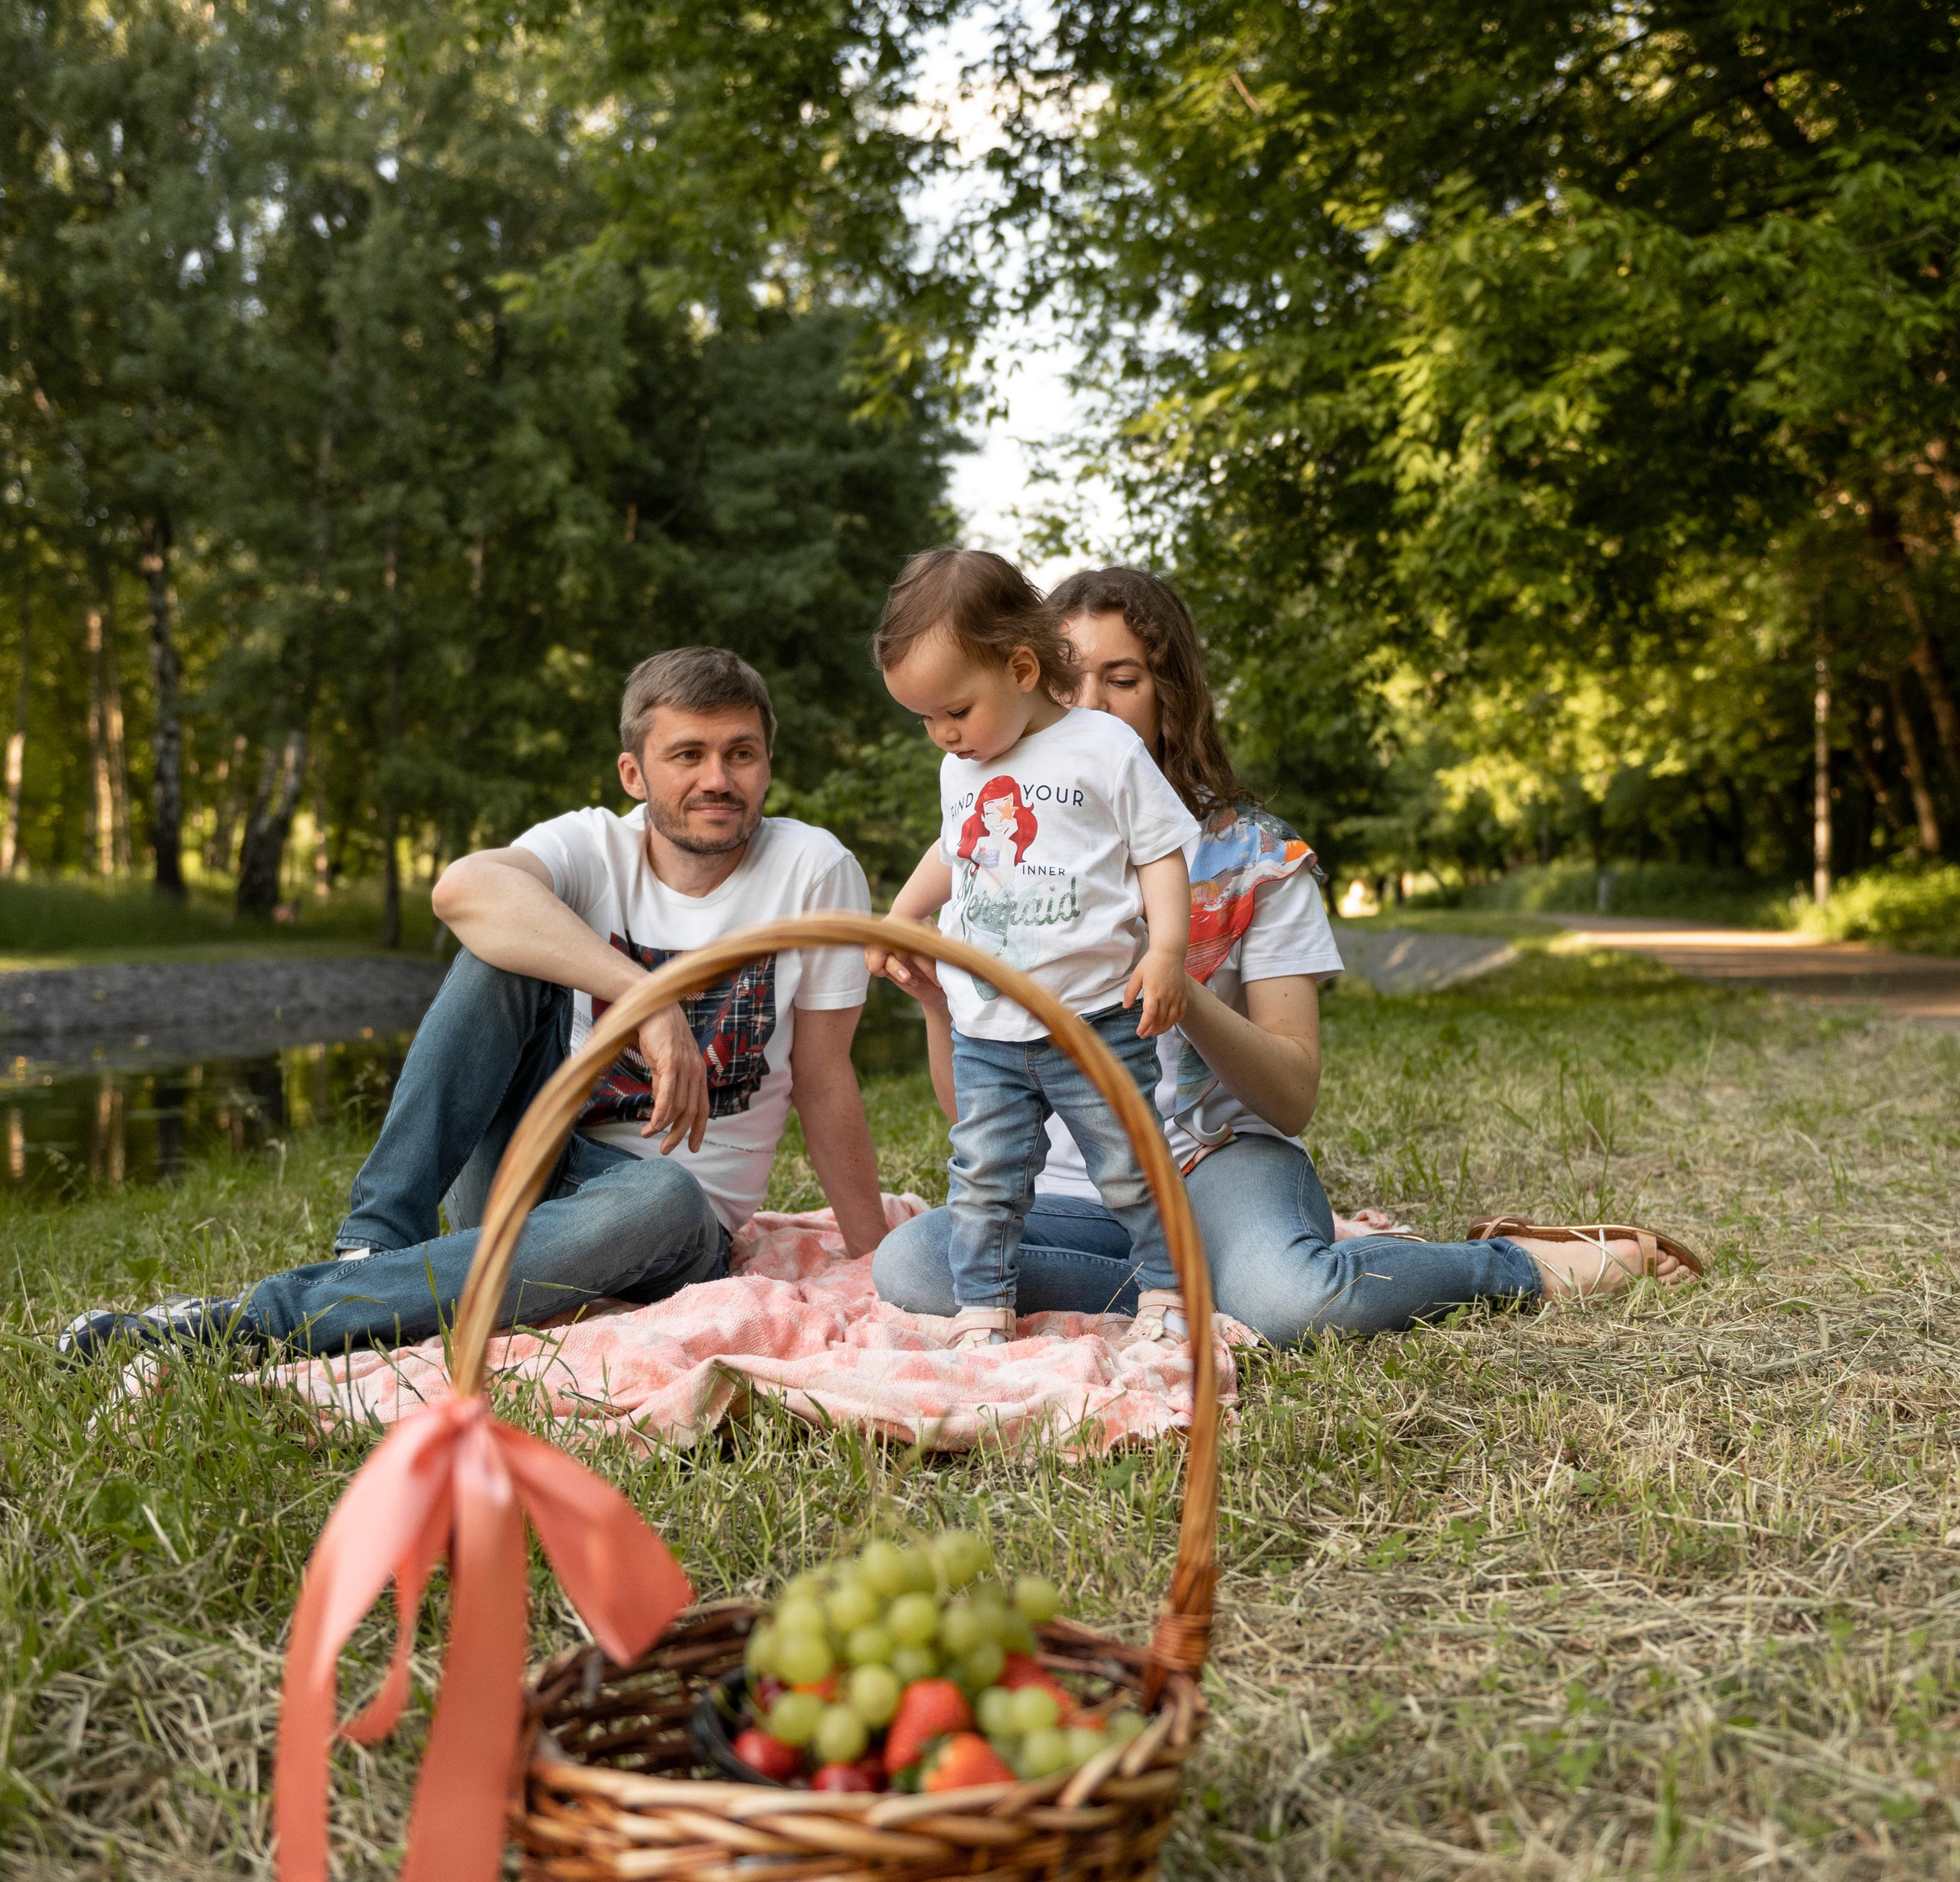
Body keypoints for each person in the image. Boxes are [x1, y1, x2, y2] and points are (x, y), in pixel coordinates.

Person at [871, 567, 1695, 1341]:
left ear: (1170, 693)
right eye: (1067, 681)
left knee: (1291, 1303)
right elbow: (971, 1112)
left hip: (1217, 1164)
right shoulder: (1003, 839)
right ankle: (1192, 1285)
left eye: (1121, 679)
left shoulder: (1256, 859)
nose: (1091, 703)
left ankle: (1508, 1264)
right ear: (1028, 679)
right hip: (1075, 1191)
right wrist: (944, 1005)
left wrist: (1181, 988)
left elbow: (1293, 1096)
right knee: (915, 1260)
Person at [60, 646, 887, 1364]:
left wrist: (871, 1261)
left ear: (768, 763)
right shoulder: (590, 845)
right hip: (523, 1167)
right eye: (689, 755)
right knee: (503, 948)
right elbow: (462, 889)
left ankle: (250, 1323)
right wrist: (640, 994)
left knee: (664, 1193)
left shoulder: (812, 870)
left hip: (664, 1222)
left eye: (741, 754)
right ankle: (374, 1243)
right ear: (635, 773)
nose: (718, 779)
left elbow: (822, 1079)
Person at [865, 549, 1198, 1345]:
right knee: (983, 1178)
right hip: (986, 1022)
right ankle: (983, 1308)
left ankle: (1167, 1290)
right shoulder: (964, 766)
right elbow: (954, 851)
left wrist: (1166, 952)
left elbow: (1158, 851)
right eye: (925, 720)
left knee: (1127, 1162)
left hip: (1091, 1017)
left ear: (1020, 668)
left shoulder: (1102, 748)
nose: (943, 735)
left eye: (954, 711)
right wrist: (901, 916)